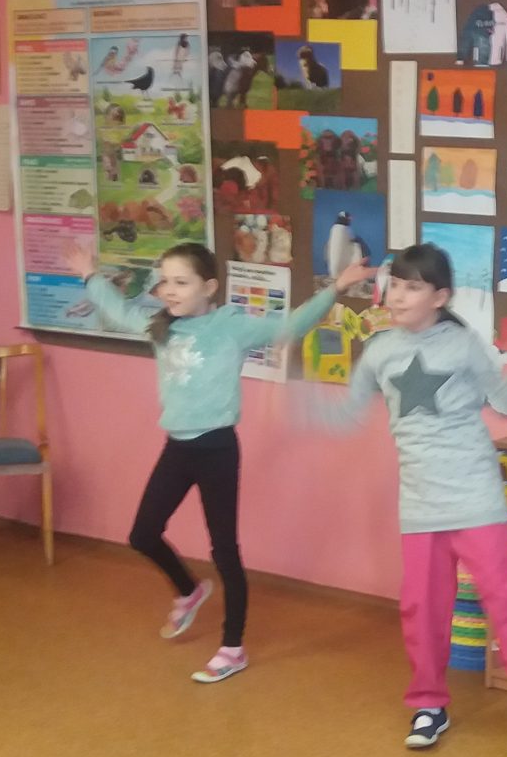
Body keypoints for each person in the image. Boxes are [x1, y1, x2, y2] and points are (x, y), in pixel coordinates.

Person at [307, 244, 507, 757]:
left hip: (474, 495)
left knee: (504, 597)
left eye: (413, 287)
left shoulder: (463, 344)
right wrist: (296, 407)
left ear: (440, 297)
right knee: (422, 609)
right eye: (395, 285)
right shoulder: (379, 349)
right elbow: (347, 413)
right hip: (421, 504)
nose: (398, 296)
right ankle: (429, 703)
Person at [66, 240, 363, 682]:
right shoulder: (159, 325)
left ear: (208, 287)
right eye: (165, 281)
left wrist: (336, 287)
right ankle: (189, 591)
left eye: (181, 282)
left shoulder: (231, 327)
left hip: (217, 449)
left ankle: (232, 647)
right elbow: (118, 310)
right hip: (178, 448)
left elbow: (290, 325)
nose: (169, 290)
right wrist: (91, 276)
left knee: (224, 550)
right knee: (142, 534)